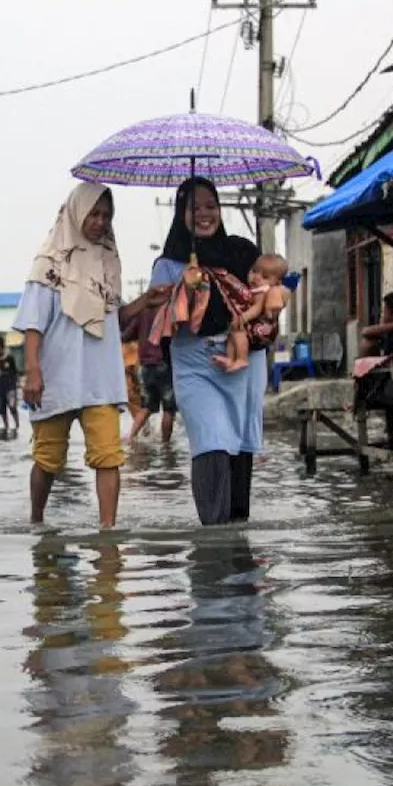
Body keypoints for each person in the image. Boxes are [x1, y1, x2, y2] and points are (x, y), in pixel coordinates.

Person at [13, 182, 168, 529]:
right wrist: (33, 372)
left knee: (108, 457)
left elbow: (112, 320)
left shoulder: (107, 262)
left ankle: (107, 531)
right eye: (93, 214)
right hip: (58, 375)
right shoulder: (48, 264)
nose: (100, 222)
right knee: (48, 459)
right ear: (76, 213)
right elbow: (33, 324)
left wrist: (145, 302)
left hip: (100, 376)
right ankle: (36, 522)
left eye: (106, 216)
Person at [149, 177, 264, 526]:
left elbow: (268, 295)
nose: (204, 214)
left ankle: (239, 546)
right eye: (193, 207)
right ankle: (214, 547)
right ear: (180, 213)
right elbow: (158, 322)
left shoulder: (243, 253)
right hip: (195, 366)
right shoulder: (168, 264)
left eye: (210, 206)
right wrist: (182, 290)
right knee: (211, 441)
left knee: (241, 444)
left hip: (243, 361)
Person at [213, 253, 289, 372]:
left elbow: (257, 308)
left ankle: (241, 359)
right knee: (233, 335)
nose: (256, 277)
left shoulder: (262, 291)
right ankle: (230, 359)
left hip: (258, 326)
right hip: (256, 325)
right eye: (254, 271)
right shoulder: (257, 288)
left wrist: (243, 318)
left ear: (277, 282)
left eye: (264, 276)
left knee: (238, 332)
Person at [122, 304, 178, 445]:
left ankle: (130, 437)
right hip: (163, 363)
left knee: (147, 406)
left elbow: (127, 335)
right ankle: (166, 444)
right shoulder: (170, 308)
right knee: (169, 408)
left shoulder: (143, 311)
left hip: (145, 366)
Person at [358, 291, 393, 358]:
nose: (382, 316)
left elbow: (365, 332)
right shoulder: (389, 330)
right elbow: (365, 331)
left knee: (367, 344)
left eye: (384, 312)